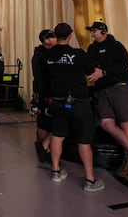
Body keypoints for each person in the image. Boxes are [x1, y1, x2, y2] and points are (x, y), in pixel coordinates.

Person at [40, 23, 104, 192]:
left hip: (58, 101)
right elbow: (93, 72)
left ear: (56, 36)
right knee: (84, 140)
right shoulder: (78, 54)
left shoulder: (47, 56)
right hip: (78, 102)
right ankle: (90, 180)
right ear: (70, 36)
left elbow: (44, 79)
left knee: (58, 136)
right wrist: (101, 72)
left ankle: (56, 171)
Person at [86, 21, 128, 177]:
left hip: (120, 87)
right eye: (91, 31)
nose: (92, 34)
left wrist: (104, 72)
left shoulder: (116, 46)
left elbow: (125, 66)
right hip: (103, 90)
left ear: (103, 31)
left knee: (124, 123)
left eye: (94, 31)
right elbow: (89, 67)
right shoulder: (91, 49)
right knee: (106, 123)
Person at [31, 29, 57, 157]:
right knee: (44, 123)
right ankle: (43, 149)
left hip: (47, 92)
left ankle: (45, 147)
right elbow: (41, 78)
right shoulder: (41, 55)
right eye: (53, 37)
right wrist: (48, 95)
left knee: (48, 123)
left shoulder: (47, 53)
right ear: (46, 40)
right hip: (45, 94)